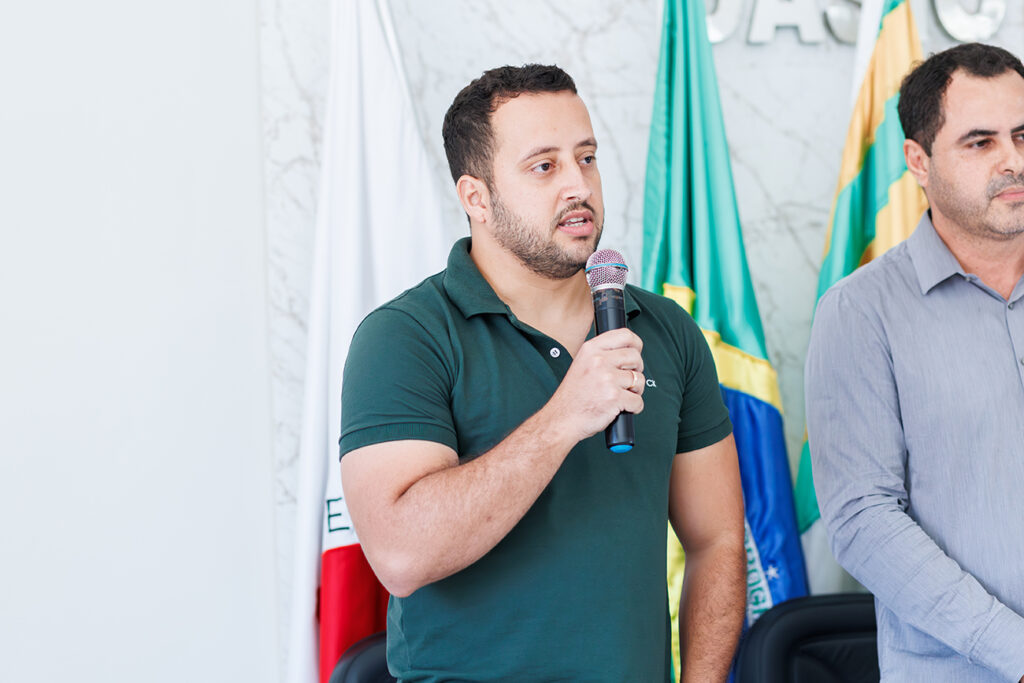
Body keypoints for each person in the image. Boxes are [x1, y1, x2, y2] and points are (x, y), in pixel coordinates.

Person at [338, 64, 745, 682]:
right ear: (475, 197)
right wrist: (564, 418)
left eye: (587, 158)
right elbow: (400, 555)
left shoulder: (666, 330)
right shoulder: (404, 337)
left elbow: (717, 540)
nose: (578, 185)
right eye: (544, 166)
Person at [806, 43, 1024, 682]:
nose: (1013, 160)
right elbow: (863, 520)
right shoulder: (859, 312)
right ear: (918, 161)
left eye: (1023, 135)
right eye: (980, 142)